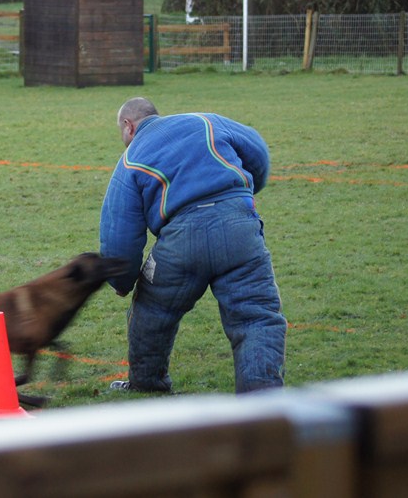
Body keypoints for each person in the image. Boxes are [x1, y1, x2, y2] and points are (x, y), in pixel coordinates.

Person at [99, 97, 286, 394]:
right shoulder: (205, 120)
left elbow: (119, 233)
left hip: (181, 241)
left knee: (151, 312)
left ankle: (147, 385)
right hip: (240, 227)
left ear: (128, 126)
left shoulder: (130, 159)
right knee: (256, 316)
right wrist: (247, 190)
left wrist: (121, 281)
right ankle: (262, 396)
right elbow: (257, 150)